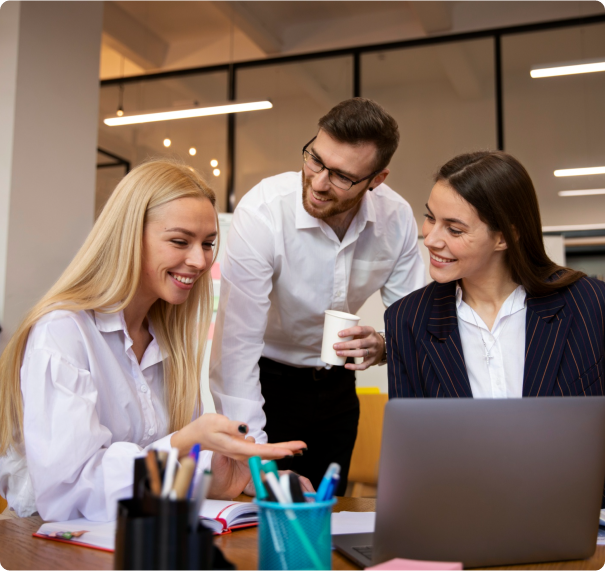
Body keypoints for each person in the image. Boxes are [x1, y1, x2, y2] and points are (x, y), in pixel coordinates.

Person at [0, 160, 308, 522]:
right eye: (180, 241)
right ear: (129, 236)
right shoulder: (62, 332)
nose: (199, 260)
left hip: (140, 535)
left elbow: (158, 474)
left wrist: (230, 475)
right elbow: (69, 494)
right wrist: (183, 445)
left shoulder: (167, 342)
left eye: (208, 244)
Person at [210, 98, 425, 494]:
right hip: (266, 385)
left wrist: (382, 345)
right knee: (264, 515)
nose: (320, 182)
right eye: (315, 160)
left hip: (338, 391)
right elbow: (236, 347)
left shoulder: (396, 220)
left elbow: (414, 324)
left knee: (327, 517)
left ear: (377, 179)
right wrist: (255, 458)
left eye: (342, 176)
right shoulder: (264, 211)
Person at [386, 149, 604, 403]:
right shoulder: (407, 320)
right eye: (430, 218)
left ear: (503, 237)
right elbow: (412, 436)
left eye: (454, 230)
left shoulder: (592, 304)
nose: (431, 240)